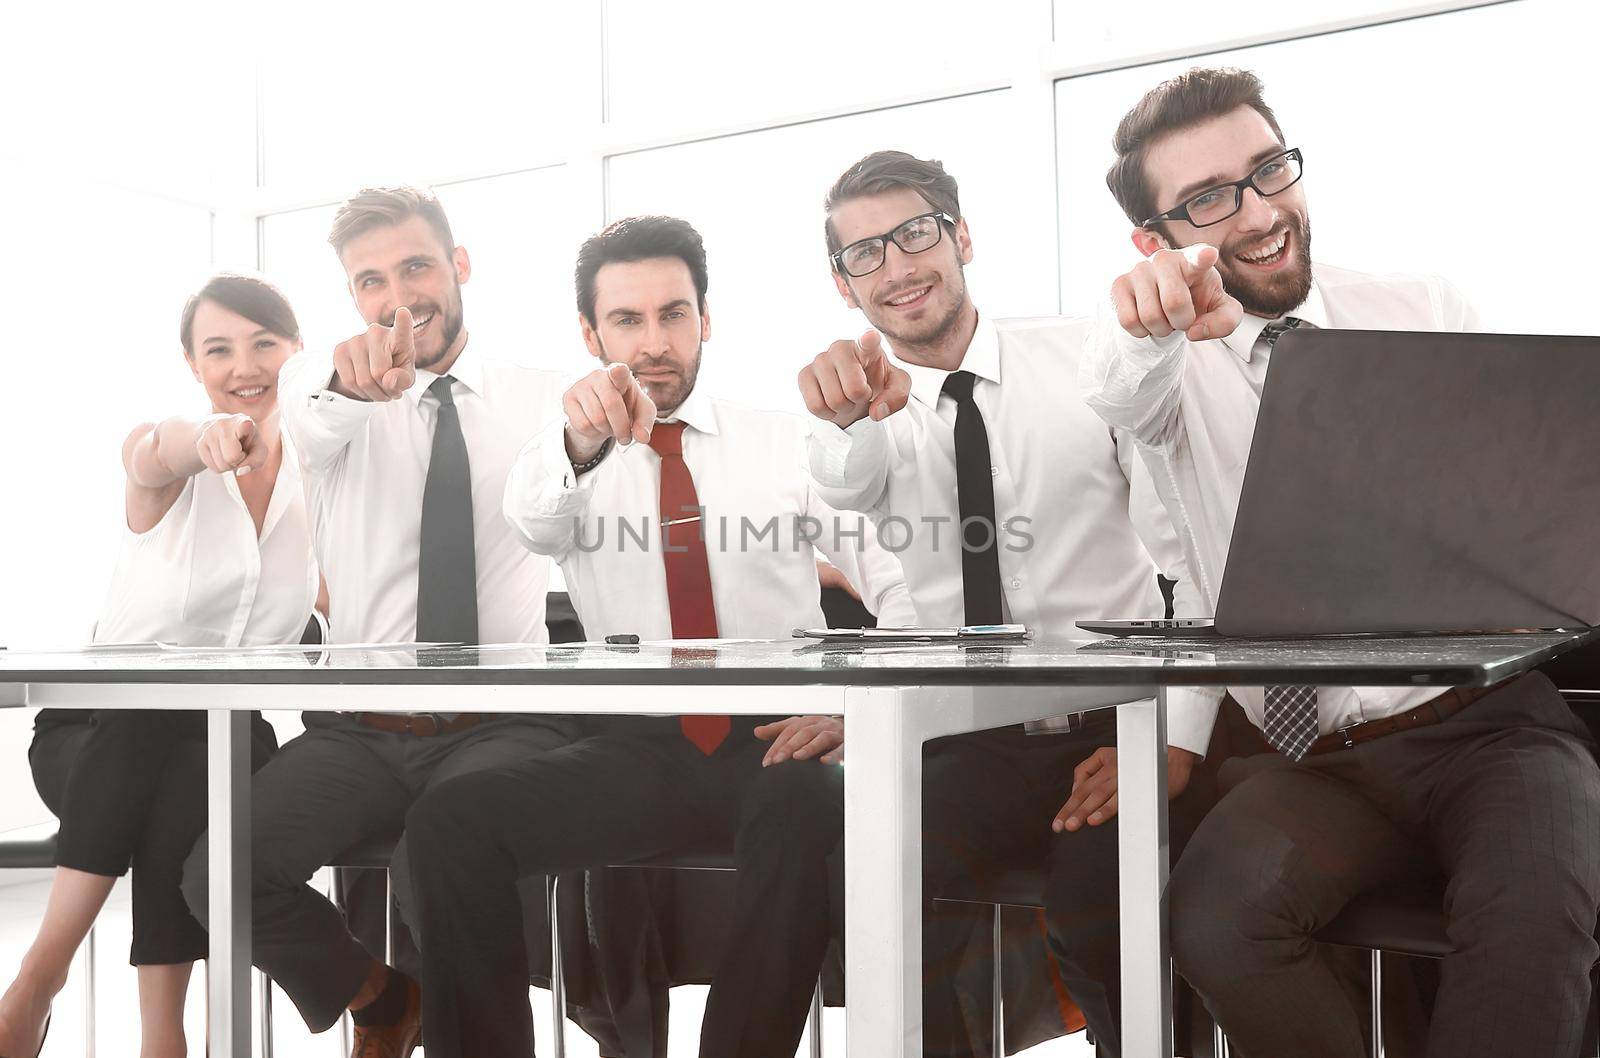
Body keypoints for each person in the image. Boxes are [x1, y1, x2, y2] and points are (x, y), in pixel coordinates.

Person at [1078, 65, 1600, 1057]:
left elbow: (1514, 499)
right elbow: (1118, 390)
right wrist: (1142, 320)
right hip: (1318, 759)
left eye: (1267, 169)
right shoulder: (1164, 375)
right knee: (1217, 917)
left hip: (1486, 728)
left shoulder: (1424, 306)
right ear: (1154, 240)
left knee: (1532, 919)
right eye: (1206, 200)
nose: (1258, 211)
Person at [402, 214, 916, 1058]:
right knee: (449, 824)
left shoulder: (785, 439)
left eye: (673, 315)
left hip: (773, 743)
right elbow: (533, 521)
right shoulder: (565, 458)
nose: (654, 343)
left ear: (705, 319)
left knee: (806, 803)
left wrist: (854, 713)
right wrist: (577, 441)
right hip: (638, 749)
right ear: (590, 333)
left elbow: (899, 582)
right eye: (628, 321)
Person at [798, 149, 1220, 1057]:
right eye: (863, 254)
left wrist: (1174, 736)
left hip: (1117, 724)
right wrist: (844, 423)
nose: (897, 267)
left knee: (1095, 911)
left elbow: (1186, 558)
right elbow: (848, 485)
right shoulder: (862, 409)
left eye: (914, 234)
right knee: (870, 876)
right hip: (973, 737)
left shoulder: (1087, 363)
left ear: (962, 238)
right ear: (844, 286)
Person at [180, 187, 579, 1058]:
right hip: (358, 732)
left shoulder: (542, 395)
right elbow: (315, 422)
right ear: (352, 298)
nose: (399, 296)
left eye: (416, 267)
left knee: (450, 858)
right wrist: (348, 386)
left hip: (500, 724)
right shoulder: (326, 408)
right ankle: (381, 997)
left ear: (459, 266)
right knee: (219, 873)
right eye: (371, 280)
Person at [0, 274, 314, 1058]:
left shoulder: (318, 481)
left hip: (222, 743)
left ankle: (36, 991)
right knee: (162, 716)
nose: (244, 365)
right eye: (219, 349)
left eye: (264, 344)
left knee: (199, 752)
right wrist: (198, 439)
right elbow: (157, 450)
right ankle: (133, 1023)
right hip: (91, 737)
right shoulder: (162, 454)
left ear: (297, 351)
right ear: (192, 363)